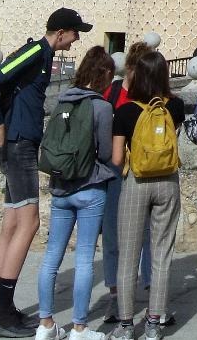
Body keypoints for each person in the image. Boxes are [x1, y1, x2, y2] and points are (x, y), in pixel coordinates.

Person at [0, 7, 90, 338]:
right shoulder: (35, 51)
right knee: (29, 222)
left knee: (12, 222)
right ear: (61, 33)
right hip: (19, 143)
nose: (77, 39)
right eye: (75, 33)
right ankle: (1, 313)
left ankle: (3, 307)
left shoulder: (42, 55)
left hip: (18, 142)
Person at [35, 47, 117, 340]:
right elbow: (106, 153)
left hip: (60, 187)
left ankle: (45, 325)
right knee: (84, 259)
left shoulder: (62, 100)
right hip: (90, 188)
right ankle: (80, 328)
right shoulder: (102, 107)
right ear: (105, 74)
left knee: (51, 257)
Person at [109, 52, 187, 340]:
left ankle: (127, 325)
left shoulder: (127, 111)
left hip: (136, 182)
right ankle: (154, 323)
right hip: (167, 181)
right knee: (162, 253)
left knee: (128, 255)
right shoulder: (175, 106)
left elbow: (117, 159)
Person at [99, 42, 153, 322]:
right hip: (115, 171)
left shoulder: (152, 96)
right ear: (130, 68)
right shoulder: (113, 92)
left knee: (148, 233)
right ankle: (116, 294)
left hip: (144, 171)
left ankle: (152, 291)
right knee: (112, 234)